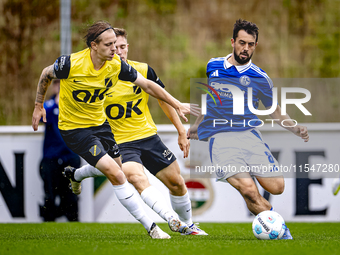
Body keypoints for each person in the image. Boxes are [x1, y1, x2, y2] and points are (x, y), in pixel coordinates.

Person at [32, 20, 197, 239]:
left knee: (118, 170)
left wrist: (177, 103)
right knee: (119, 175)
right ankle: (156, 226)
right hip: (75, 129)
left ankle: (77, 174)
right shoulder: (70, 64)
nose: (115, 50)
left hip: (101, 126)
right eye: (110, 45)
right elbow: (45, 74)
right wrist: (38, 106)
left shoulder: (116, 66)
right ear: (94, 46)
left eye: (119, 45)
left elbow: (147, 84)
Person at [188, 19, 309, 239]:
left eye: (251, 44)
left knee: (277, 186)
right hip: (221, 138)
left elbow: (275, 110)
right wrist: (197, 126)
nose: (246, 48)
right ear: (232, 42)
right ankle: (280, 231)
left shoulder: (260, 77)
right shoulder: (213, 66)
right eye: (242, 42)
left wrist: (295, 128)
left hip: (250, 136)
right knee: (249, 191)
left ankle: (249, 172)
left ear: (255, 46)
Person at [39, 79, 81, 222]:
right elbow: (40, 118)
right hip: (51, 157)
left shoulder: (74, 106)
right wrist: (57, 102)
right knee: (49, 194)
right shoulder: (49, 105)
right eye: (57, 83)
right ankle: (48, 224)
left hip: (70, 155)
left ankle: (74, 225)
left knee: (71, 195)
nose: (59, 86)